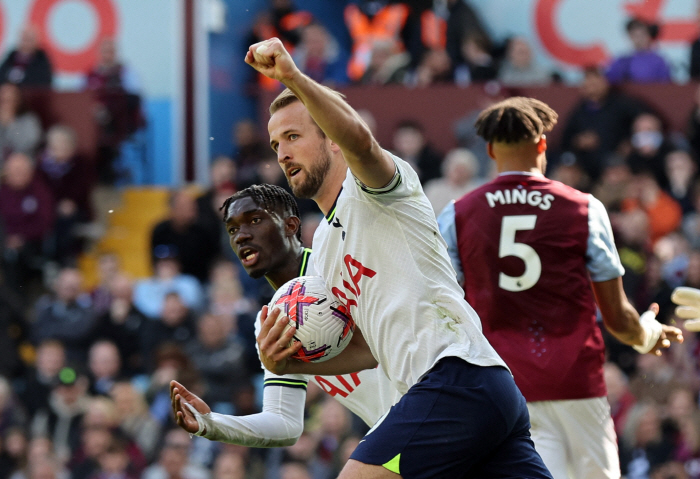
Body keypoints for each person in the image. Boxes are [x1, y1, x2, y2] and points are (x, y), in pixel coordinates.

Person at [240, 37, 552, 478]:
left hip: (455, 377)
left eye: (293, 136)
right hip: (480, 395)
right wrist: (289, 364)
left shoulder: (378, 188)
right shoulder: (324, 248)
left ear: (331, 139)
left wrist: (293, 76)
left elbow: (362, 145)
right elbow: (366, 350)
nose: (283, 153)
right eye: (275, 145)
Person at [437, 97, 683, 478]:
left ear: (489, 150)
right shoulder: (584, 209)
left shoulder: (457, 214)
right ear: (542, 145)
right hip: (577, 383)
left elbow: (442, 308)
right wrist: (647, 333)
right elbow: (617, 319)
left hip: (504, 388)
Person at [171, 184, 396, 447]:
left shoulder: (338, 266)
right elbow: (285, 423)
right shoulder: (269, 323)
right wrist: (210, 424)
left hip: (432, 401)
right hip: (399, 435)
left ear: (290, 225)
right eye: (232, 229)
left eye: (254, 221)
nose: (241, 236)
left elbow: (379, 347)